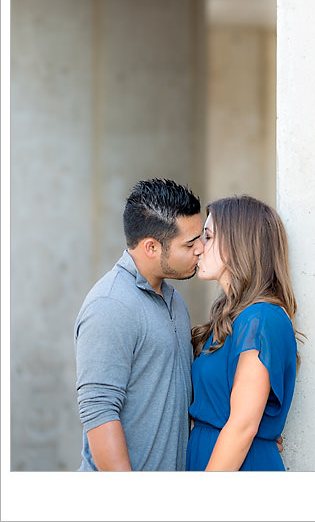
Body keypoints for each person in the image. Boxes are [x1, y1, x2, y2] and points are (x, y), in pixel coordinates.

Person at [74, 178, 203, 471]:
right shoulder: (110, 305)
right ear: (152, 247)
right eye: (190, 243)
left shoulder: (174, 301)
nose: (200, 250)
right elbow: (99, 410)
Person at [186, 194, 301, 471]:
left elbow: (242, 426)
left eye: (209, 237)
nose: (199, 248)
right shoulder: (233, 318)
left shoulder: (261, 319)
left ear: (238, 245)